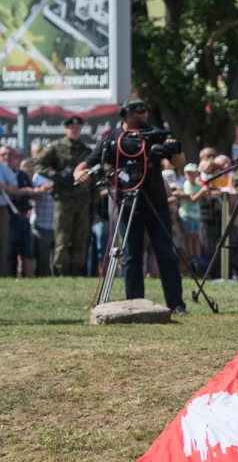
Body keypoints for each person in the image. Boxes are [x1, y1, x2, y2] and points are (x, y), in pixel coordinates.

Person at [74, 97, 187, 313]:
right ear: (124, 114)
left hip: (156, 204)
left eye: (145, 111)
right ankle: (135, 303)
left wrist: (175, 150)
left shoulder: (155, 134)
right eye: (137, 111)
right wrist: (80, 173)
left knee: (166, 255)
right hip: (127, 205)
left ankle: (176, 304)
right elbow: (85, 165)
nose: (142, 115)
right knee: (132, 256)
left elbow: (179, 163)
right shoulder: (112, 138)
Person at [34, 116, 94, 276]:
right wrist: (56, 175)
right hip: (63, 198)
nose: (75, 130)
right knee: (62, 236)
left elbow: (93, 170)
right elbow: (38, 164)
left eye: (78, 127)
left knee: (80, 236)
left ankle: (77, 271)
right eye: (72, 127)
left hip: (81, 198)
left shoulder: (86, 150)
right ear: (66, 128)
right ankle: (61, 271)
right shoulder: (56, 147)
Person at [4, 148, 38, 277]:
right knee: (7, 253)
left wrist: (17, 192)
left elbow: (28, 194)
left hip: (23, 217)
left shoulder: (22, 175)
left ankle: (31, 280)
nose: (8, 157)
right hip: (7, 218)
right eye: (4, 154)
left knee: (27, 252)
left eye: (13, 155)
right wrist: (21, 191)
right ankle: (6, 278)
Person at [26, 159, 56, 276]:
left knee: (55, 260)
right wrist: (54, 184)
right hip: (41, 224)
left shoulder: (59, 174)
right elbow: (39, 189)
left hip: (56, 224)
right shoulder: (39, 176)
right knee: (42, 258)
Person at [175, 163, 207, 268]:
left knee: (196, 236)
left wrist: (206, 190)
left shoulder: (198, 185)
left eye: (193, 174)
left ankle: (197, 256)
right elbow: (194, 199)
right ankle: (191, 256)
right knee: (189, 236)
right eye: (188, 174)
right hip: (187, 214)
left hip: (196, 215)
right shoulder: (187, 184)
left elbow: (207, 195)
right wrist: (202, 191)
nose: (191, 176)